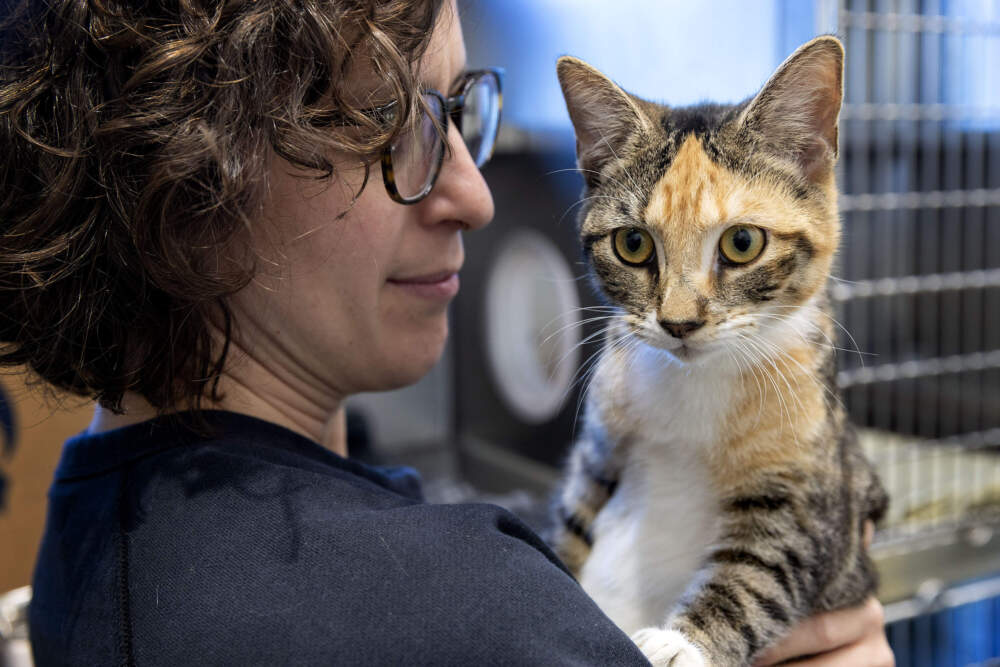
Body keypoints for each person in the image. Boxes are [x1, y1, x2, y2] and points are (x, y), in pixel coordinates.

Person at [0, 0, 893, 664]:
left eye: (462, 110)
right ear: (189, 174)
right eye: (392, 122)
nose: (476, 194)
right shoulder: (477, 621)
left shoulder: (85, 516)